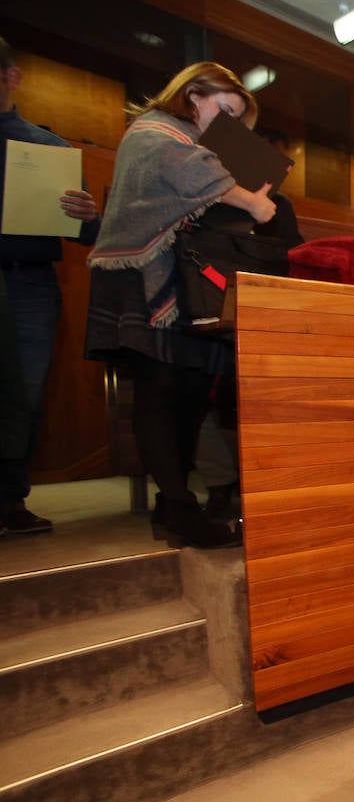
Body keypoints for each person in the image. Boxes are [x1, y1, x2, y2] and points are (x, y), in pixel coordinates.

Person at [84, 61, 276, 549]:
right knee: (160, 393)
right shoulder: (154, 133)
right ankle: (179, 505)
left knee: (189, 394)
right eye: (224, 109)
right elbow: (193, 175)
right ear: (193, 94)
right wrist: (253, 203)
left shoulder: (189, 142)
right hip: (146, 282)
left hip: (183, 283)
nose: (227, 124)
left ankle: (172, 506)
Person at [0, 37, 101, 534]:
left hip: (27, 283)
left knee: (24, 394)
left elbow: (86, 233)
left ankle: (9, 500)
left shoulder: (46, 146)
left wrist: (88, 217)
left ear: (10, 77)